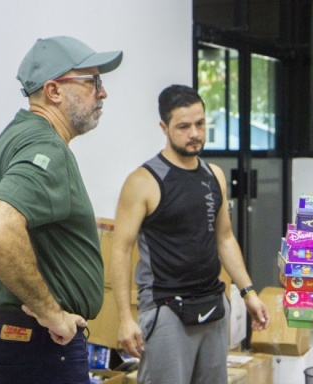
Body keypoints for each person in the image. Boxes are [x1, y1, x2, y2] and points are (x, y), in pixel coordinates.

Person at [0, 36, 122, 384]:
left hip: (21, 342)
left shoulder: (13, 138)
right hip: (42, 346)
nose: (102, 92)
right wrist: (52, 314)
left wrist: (11, 285)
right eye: (93, 82)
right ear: (54, 91)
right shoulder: (45, 146)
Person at [110, 84, 271, 384]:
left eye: (200, 123)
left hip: (212, 302)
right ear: (164, 127)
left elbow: (224, 238)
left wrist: (248, 292)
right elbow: (120, 249)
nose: (194, 133)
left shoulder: (214, 175)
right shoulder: (143, 181)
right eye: (183, 126)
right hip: (166, 309)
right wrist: (125, 318)